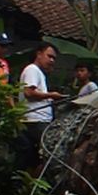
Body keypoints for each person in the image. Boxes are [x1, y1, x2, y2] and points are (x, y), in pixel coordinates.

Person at [15, 42, 64, 171]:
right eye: (49, 56)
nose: (52, 60)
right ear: (39, 54)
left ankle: (23, 184)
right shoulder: (32, 69)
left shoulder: (39, 72)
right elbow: (29, 93)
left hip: (37, 120)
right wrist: (51, 95)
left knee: (32, 156)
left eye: (54, 58)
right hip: (35, 120)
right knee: (53, 150)